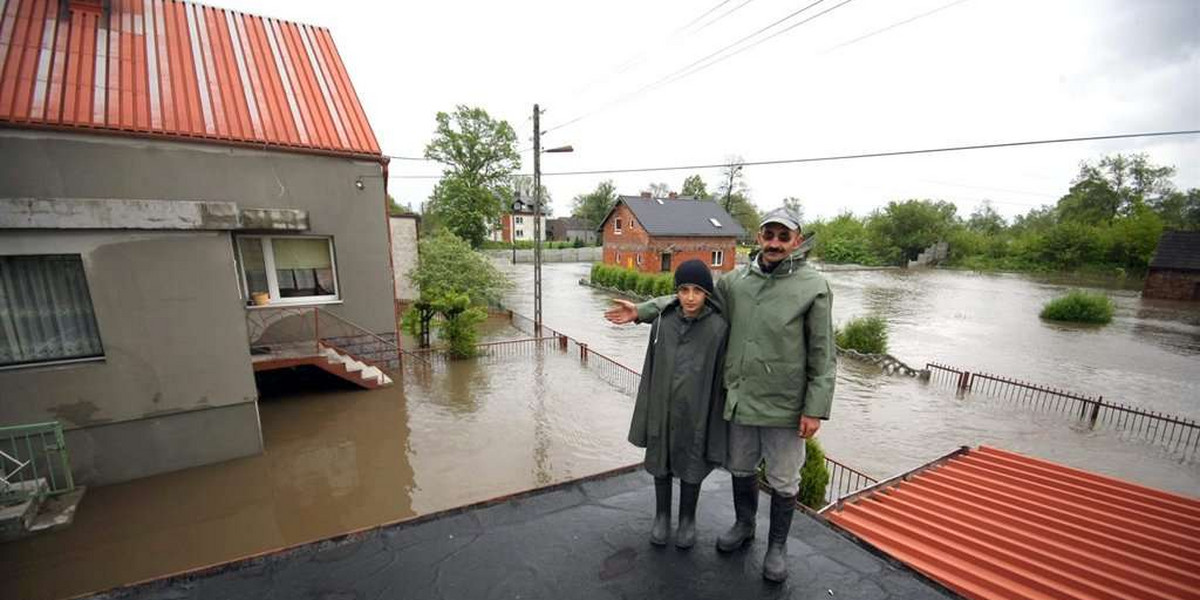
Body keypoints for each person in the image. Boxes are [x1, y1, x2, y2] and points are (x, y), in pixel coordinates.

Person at [606, 207, 835, 582]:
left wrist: (815, 408)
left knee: (783, 479)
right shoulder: (736, 281)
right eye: (769, 234)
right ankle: (744, 525)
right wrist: (645, 310)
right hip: (740, 399)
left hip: (786, 404)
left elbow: (824, 353)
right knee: (741, 468)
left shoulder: (814, 286)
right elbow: (694, 298)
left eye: (783, 236)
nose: (774, 243)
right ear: (759, 237)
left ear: (796, 240)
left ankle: (777, 547)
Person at [626, 259, 729, 549]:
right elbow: (651, 367)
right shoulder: (661, 322)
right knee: (661, 459)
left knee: (692, 460)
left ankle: (687, 519)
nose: (690, 297)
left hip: (697, 409)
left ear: (707, 292)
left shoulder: (718, 328)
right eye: (684, 290)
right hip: (663, 403)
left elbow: (721, 374)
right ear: (676, 293)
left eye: (697, 290)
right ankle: (661, 516)